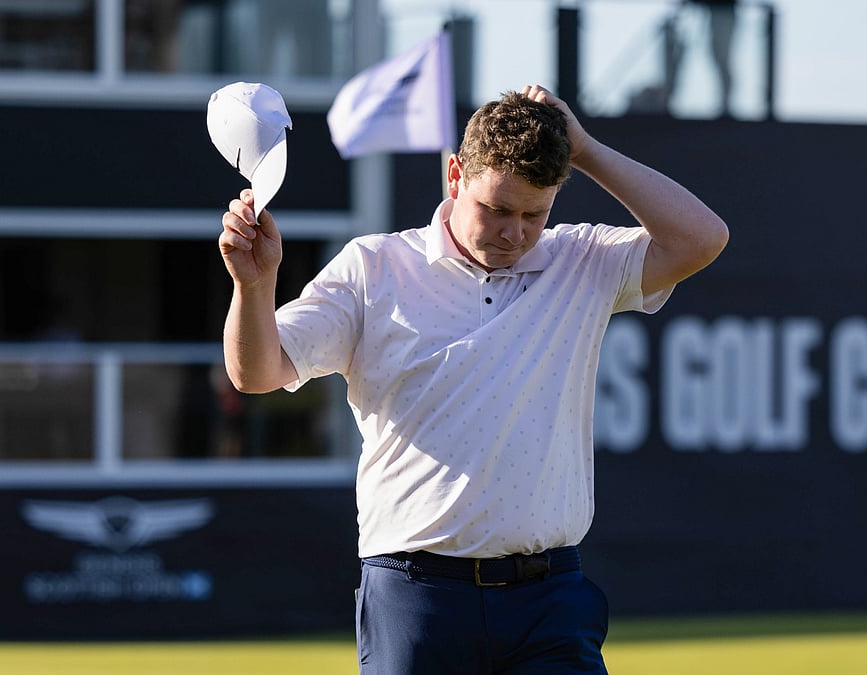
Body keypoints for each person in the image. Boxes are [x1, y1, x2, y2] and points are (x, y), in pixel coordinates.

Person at [219, 85, 728, 674]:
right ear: (455, 175)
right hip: (417, 594)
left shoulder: (582, 260)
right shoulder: (373, 265)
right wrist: (253, 288)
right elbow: (256, 373)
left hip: (549, 599)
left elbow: (703, 238)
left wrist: (582, 148)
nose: (515, 232)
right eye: (498, 209)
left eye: (534, 214)